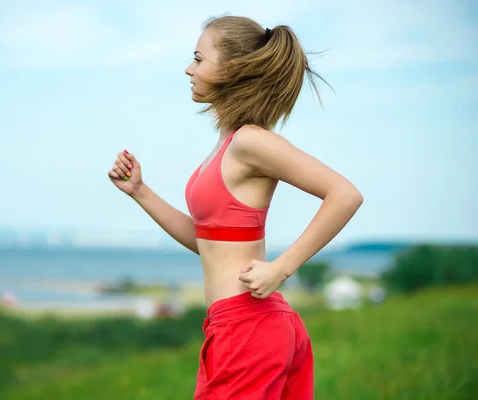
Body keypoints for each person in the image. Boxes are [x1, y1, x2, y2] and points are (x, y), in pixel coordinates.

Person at [108, 15, 363, 400]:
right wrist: (140, 191)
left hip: (248, 329)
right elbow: (207, 242)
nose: (188, 69)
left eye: (198, 58)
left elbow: (344, 194)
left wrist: (280, 268)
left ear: (231, 70)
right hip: (237, 327)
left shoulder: (250, 142)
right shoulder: (229, 143)